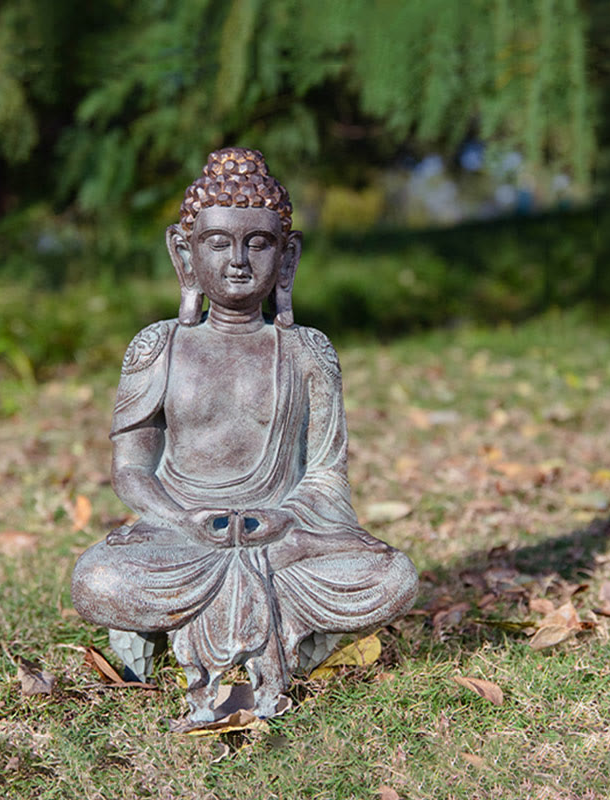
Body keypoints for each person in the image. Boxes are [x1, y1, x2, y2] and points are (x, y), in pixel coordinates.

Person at [71, 148, 417, 721]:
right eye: (217, 243)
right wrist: (184, 519)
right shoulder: (158, 347)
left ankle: (250, 621)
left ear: (287, 258)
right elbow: (132, 468)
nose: (238, 260)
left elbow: (325, 474)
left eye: (258, 242)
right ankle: (261, 626)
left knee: (394, 576)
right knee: (99, 579)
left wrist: (288, 523)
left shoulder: (308, 351)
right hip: (183, 536)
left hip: (282, 534)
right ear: (185, 254)